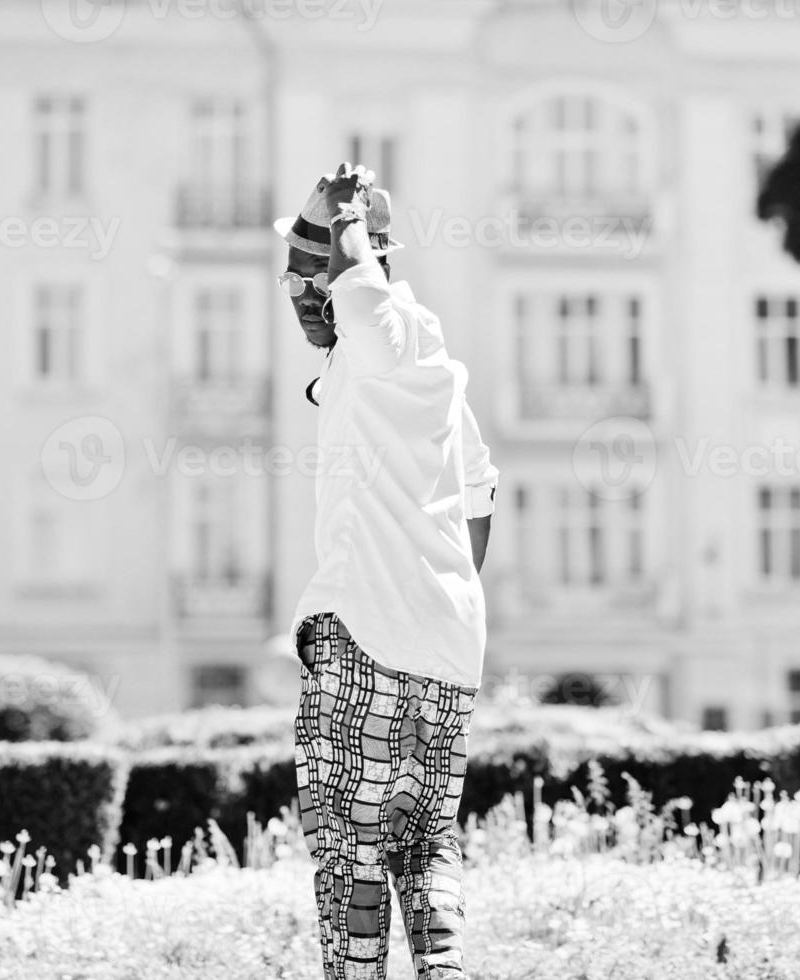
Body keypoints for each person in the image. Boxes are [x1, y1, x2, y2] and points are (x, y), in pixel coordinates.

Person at [274, 162, 499, 980]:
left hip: (362, 632)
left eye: (312, 281)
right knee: (422, 844)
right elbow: (480, 491)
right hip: (444, 644)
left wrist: (343, 228)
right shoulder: (438, 371)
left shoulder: (379, 325)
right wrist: (437, 592)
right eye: (291, 281)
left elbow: (364, 305)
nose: (301, 297)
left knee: (347, 853)